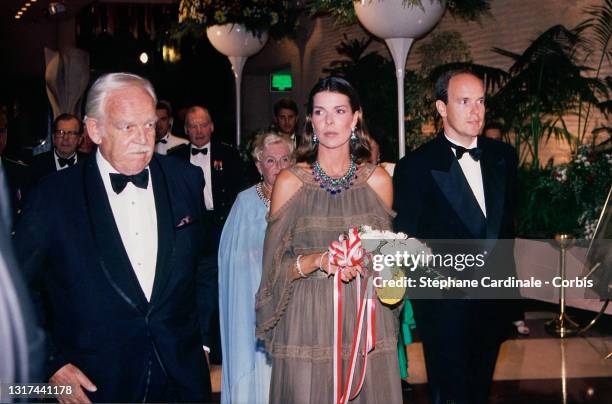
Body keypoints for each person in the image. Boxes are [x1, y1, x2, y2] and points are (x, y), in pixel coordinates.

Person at [14, 73, 212, 403]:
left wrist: (203, 340)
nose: (143, 139)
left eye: (149, 125)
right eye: (127, 127)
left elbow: (205, 264)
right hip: (94, 384)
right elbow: (16, 287)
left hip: (181, 378)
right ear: (94, 130)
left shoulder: (185, 180)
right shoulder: (53, 196)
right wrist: (52, 362)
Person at [255, 77, 402, 403]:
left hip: (366, 321)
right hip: (308, 324)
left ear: (355, 118)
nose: (330, 121)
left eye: (339, 111)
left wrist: (376, 264)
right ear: (310, 120)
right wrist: (318, 261)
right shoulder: (290, 182)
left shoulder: (378, 181)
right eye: (320, 112)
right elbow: (272, 269)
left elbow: (391, 269)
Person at [393, 69, 518, 404]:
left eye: (480, 101)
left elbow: (507, 230)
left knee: (480, 390)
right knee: (449, 394)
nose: (475, 111)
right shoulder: (415, 167)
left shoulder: (503, 156)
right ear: (441, 108)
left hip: (493, 299)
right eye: (464, 101)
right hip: (444, 306)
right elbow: (405, 239)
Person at [218, 132, 294, 404]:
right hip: (254, 310)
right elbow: (231, 264)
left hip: (297, 309)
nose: (279, 167)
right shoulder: (245, 202)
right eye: (271, 161)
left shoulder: (306, 198)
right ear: (259, 166)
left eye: (285, 159)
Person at [168, 105, 247, 363]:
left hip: (223, 227)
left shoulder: (230, 155)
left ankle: (215, 346)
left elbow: (241, 194)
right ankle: (193, 346)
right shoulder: (174, 157)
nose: (198, 131)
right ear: (185, 129)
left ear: (211, 126)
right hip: (188, 230)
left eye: (203, 125)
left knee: (218, 287)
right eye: (192, 126)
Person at [29, 113, 85, 183]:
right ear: (53, 138)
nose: (65, 138)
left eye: (71, 133)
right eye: (60, 132)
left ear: (80, 139)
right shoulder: (36, 164)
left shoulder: (89, 163)